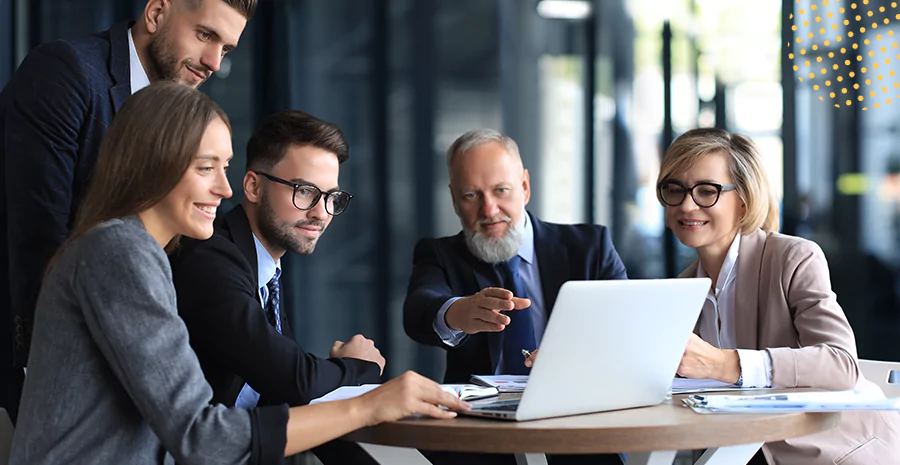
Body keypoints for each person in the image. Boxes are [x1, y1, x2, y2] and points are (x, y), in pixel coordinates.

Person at [9, 82, 467, 464]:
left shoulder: (131, 249)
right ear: (153, 165)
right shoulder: (120, 253)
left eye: (223, 167)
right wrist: (368, 404)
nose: (224, 188)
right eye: (206, 168)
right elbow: (202, 435)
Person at [0, 0, 254, 421]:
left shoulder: (177, 117)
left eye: (225, 49)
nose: (213, 62)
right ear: (156, 13)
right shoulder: (67, 73)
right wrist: (45, 382)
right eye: (205, 35)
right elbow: (38, 239)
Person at [659, 128, 900, 464]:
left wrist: (725, 364)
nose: (686, 204)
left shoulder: (794, 257)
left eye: (706, 191)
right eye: (674, 189)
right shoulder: (681, 291)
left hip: (835, 454)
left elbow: (840, 363)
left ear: (743, 200)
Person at [169, 110, 384, 463]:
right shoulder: (210, 259)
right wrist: (359, 367)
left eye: (332, 197)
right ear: (253, 186)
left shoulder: (266, 270)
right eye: (305, 191)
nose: (321, 213)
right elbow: (292, 379)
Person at [403, 128, 626, 465]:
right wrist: (457, 313)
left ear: (524, 186)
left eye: (500, 191)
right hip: (479, 441)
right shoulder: (440, 254)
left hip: (580, 426)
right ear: (453, 198)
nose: (489, 209)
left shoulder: (589, 248)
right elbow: (419, 309)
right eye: (470, 195)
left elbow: (626, 328)